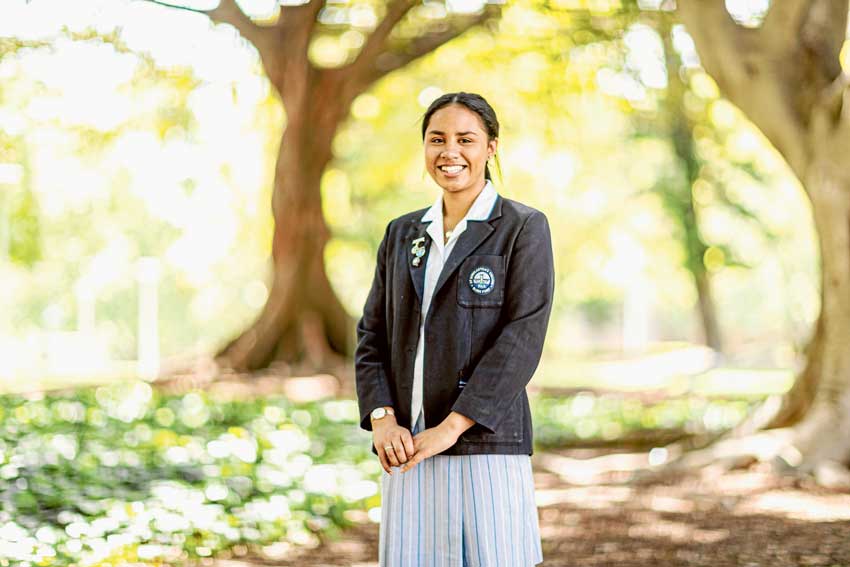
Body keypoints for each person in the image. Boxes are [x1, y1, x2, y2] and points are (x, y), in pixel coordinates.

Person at [355, 91, 554, 567]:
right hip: (408, 446)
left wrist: (451, 428)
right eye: (437, 139)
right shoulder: (402, 234)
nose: (450, 152)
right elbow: (372, 336)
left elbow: (521, 338)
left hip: (486, 443)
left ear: (491, 148)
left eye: (466, 139)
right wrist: (383, 419)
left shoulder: (522, 227)